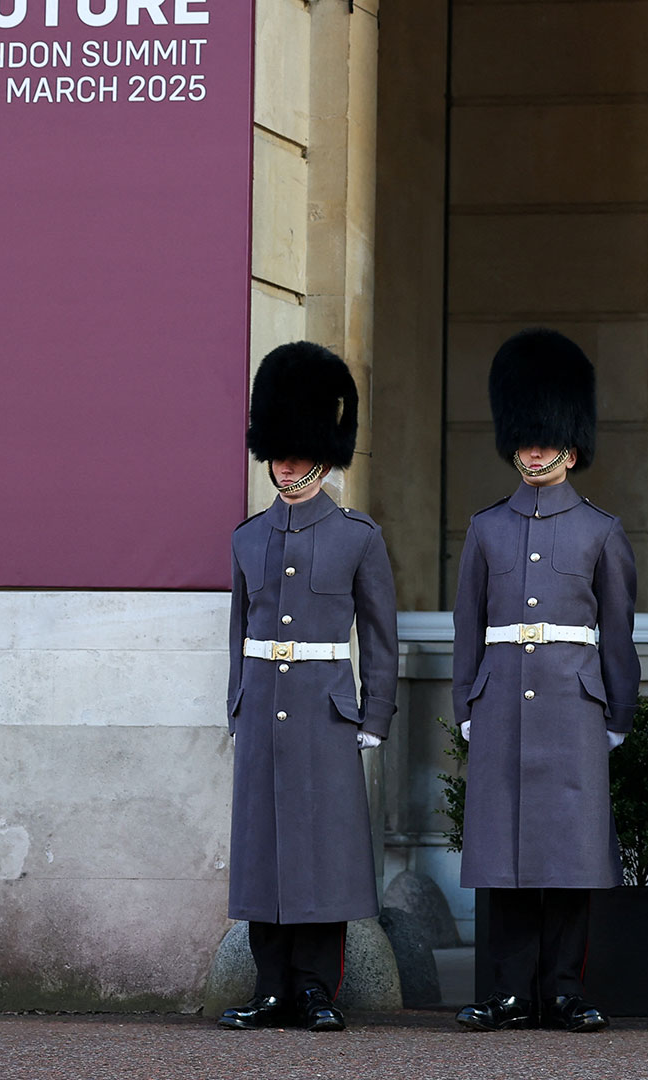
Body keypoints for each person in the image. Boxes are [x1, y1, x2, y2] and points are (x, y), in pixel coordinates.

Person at [451, 329, 640, 1034]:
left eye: (545, 439)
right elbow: (469, 627)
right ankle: (507, 990)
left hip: (573, 708)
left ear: (571, 442)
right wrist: (466, 702)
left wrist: (616, 716)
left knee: (568, 859)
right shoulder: (487, 530)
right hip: (501, 703)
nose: (533, 451)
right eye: (525, 440)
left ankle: (563, 988)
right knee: (504, 859)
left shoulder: (600, 533)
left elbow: (616, 634)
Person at [220, 341, 398, 1032]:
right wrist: (237, 706)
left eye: (297, 453)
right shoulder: (248, 538)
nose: (286, 464)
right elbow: (238, 633)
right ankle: (272, 988)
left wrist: (373, 715)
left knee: (323, 853)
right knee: (264, 852)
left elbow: (381, 636)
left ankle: (319, 988)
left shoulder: (358, 538)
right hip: (264, 709)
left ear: (324, 454)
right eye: (279, 452)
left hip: (327, 712)